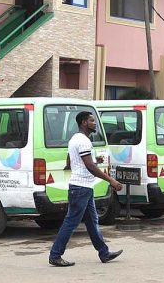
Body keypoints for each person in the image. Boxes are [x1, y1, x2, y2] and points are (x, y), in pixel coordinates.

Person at [48, 111, 124, 267]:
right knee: (71, 222)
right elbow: (89, 166)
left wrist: (91, 161)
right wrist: (111, 180)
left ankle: (104, 253)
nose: (95, 123)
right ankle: (55, 255)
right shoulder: (83, 141)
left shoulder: (74, 139)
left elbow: (70, 161)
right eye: (92, 120)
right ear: (84, 122)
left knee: (92, 222)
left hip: (83, 187)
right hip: (81, 188)